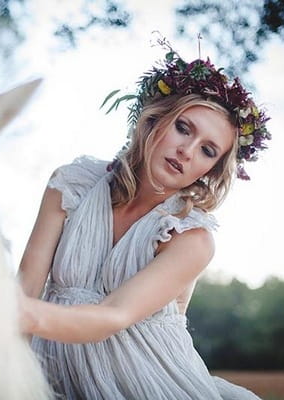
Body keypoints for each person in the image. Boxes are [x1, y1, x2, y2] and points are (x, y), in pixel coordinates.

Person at [18, 40, 270, 400]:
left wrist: (11, 311)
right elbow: (27, 282)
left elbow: (113, 316)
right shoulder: (72, 184)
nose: (187, 150)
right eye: (184, 128)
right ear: (155, 119)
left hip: (149, 381)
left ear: (209, 171)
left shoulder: (191, 239)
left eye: (207, 150)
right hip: (53, 370)